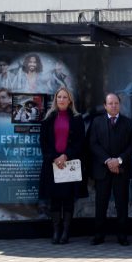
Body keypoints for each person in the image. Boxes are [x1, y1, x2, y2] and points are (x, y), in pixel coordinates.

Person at [39, 87, 86, 244]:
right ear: (55, 99)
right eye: (59, 97)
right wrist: (55, 158)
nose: (61, 99)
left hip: (69, 163)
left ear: (70, 100)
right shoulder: (48, 119)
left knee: (67, 199)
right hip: (53, 165)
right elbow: (44, 144)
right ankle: (56, 232)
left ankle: (66, 232)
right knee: (55, 200)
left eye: (65, 97)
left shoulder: (77, 119)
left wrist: (66, 155)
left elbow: (80, 143)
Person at [89, 93, 132, 245]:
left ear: (119, 105)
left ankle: (122, 235)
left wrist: (118, 160)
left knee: (122, 204)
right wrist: (108, 160)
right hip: (102, 170)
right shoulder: (96, 122)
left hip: (121, 170)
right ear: (105, 105)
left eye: (116, 103)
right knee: (100, 203)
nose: (114, 106)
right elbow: (93, 144)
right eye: (110, 103)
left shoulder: (128, 123)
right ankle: (98, 234)